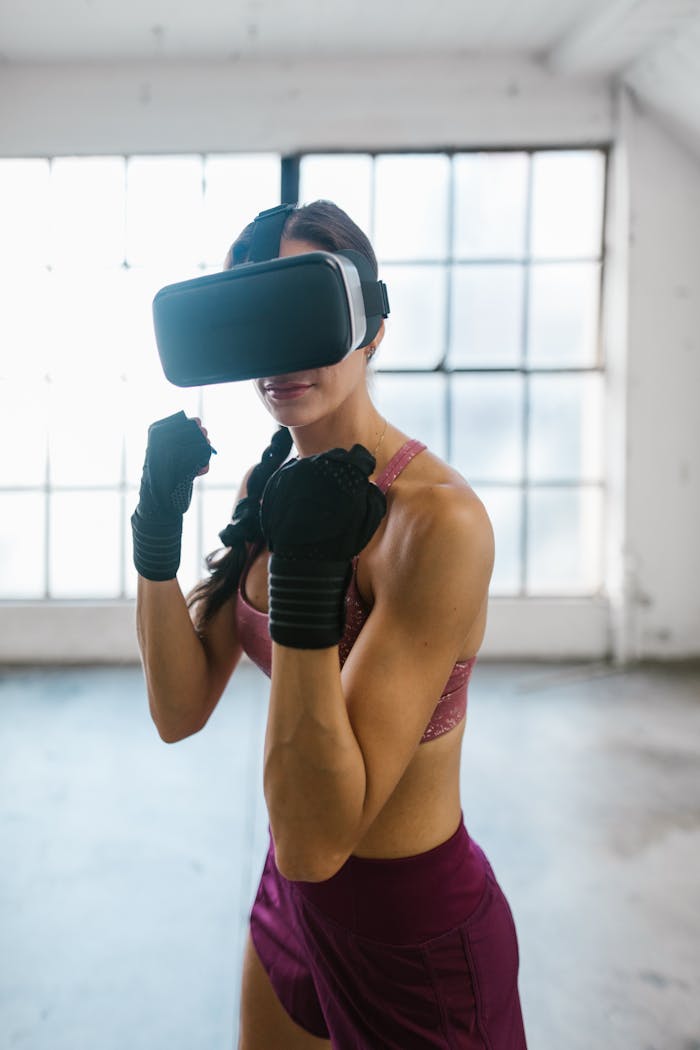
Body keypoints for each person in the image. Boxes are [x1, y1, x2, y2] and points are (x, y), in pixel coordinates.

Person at [132, 200, 528, 1049]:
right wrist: (155, 541)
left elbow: (323, 839)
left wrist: (310, 583)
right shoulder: (263, 490)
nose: (279, 353)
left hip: (412, 930)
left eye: (302, 312)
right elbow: (178, 709)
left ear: (371, 328)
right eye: (257, 319)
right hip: (291, 896)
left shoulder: (439, 525)